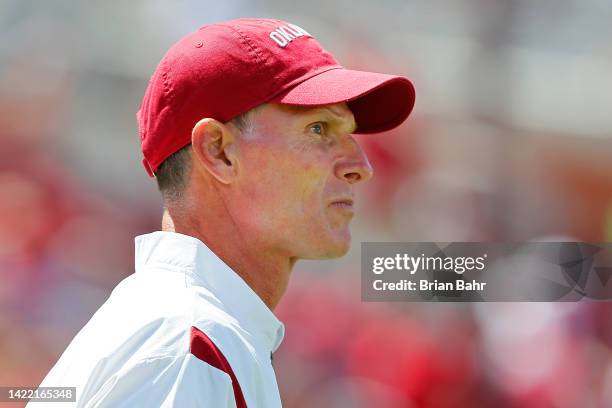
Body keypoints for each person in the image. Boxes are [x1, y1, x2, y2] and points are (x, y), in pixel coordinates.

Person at [32, 18, 415, 407]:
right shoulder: (190, 347)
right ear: (218, 151)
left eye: (347, 132)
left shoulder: (191, 331)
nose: (360, 165)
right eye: (318, 129)